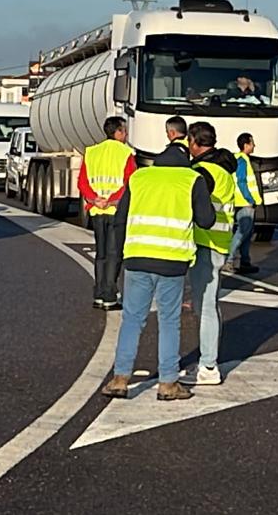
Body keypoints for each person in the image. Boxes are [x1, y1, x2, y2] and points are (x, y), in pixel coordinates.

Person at [99, 135, 215, 402]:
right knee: (169, 321)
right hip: (172, 260)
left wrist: (120, 255)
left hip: (137, 257)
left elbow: (121, 218)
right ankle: (168, 383)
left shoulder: (139, 177)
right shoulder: (191, 179)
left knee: (132, 320)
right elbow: (206, 220)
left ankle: (119, 379)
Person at [186, 121, 239, 385]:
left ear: (194, 142)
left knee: (204, 306)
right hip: (219, 242)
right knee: (211, 304)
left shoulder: (202, 171)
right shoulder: (224, 169)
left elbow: (194, 205)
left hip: (204, 242)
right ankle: (209, 359)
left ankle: (208, 365)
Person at [80, 116, 137, 309]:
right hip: (115, 210)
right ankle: (110, 295)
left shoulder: (91, 152)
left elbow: (83, 181)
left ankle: (98, 293)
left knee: (101, 253)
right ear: (118, 132)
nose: (126, 134)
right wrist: (112, 200)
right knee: (115, 253)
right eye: (124, 131)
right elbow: (130, 182)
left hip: (96, 210)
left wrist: (95, 199)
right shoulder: (126, 153)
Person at [222, 132, 261, 276]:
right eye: (252, 143)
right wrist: (250, 199)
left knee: (246, 233)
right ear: (246, 145)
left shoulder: (236, 159)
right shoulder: (243, 160)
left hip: (237, 200)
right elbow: (242, 181)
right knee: (243, 232)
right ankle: (229, 260)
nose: (254, 145)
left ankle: (245, 261)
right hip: (244, 202)